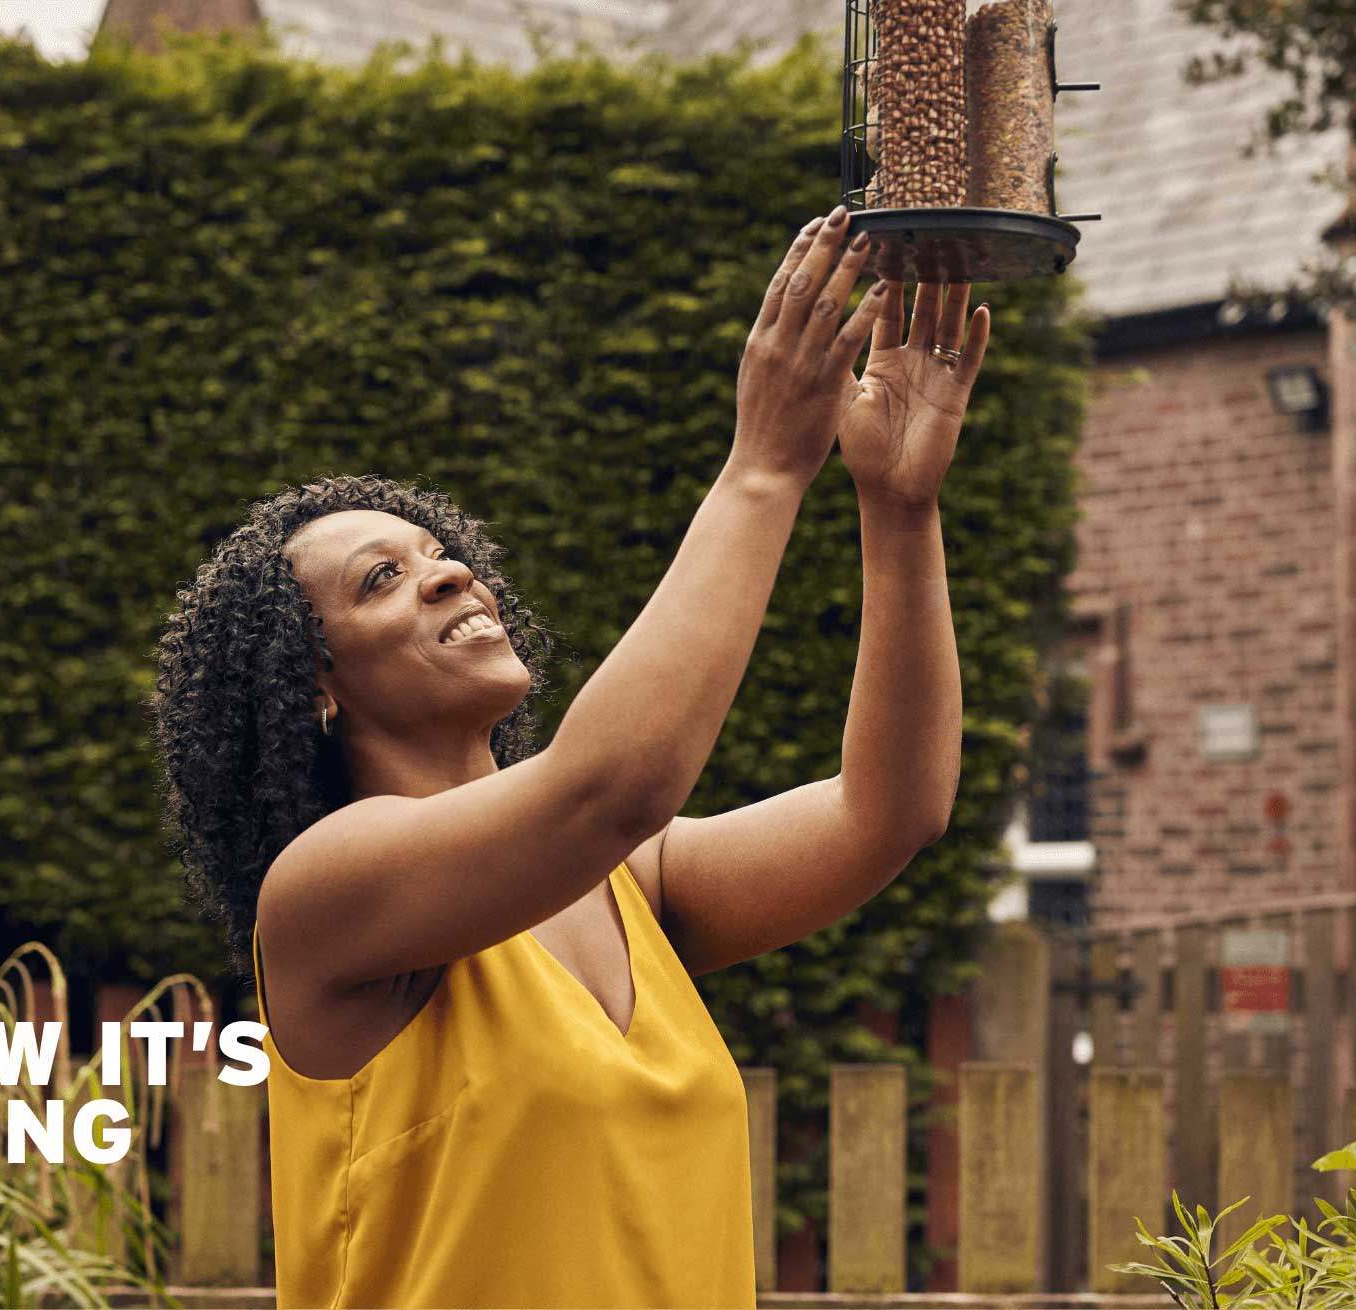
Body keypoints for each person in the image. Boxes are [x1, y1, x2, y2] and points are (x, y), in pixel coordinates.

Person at [147, 203, 991, 1308]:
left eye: (440, 554)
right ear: (310, 684)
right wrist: (760, 470)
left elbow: (889, 810)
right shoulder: (324, 891)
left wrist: (897, 506)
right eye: (380, 580)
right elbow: (612, 784)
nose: (449, 574)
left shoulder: (623, 883)